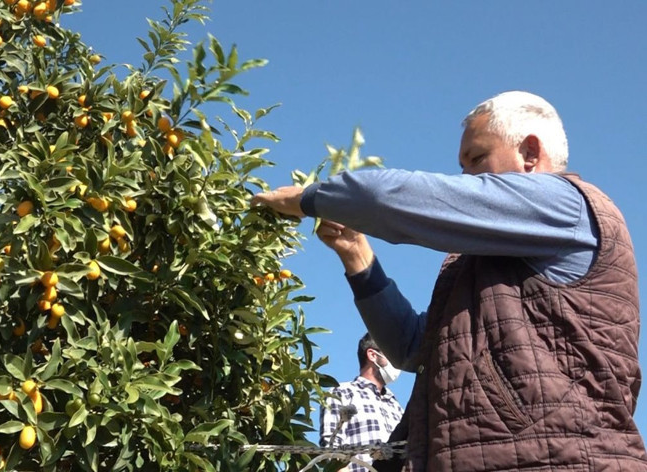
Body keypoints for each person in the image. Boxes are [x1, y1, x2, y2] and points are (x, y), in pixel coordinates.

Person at [252, 91, 647, 471]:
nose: (466, 178)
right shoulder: (483, 266)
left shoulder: (567, 204)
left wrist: (306, 199)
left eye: (476, 159)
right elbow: (410, 347)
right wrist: (356, 254)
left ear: (529, 153)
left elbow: (381, 199)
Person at [320, 333, 404, 472]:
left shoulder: (396, 405)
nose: (397, 362)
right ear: (372, 355)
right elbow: (331, 447)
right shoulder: (342, 393)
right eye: (392, 354)